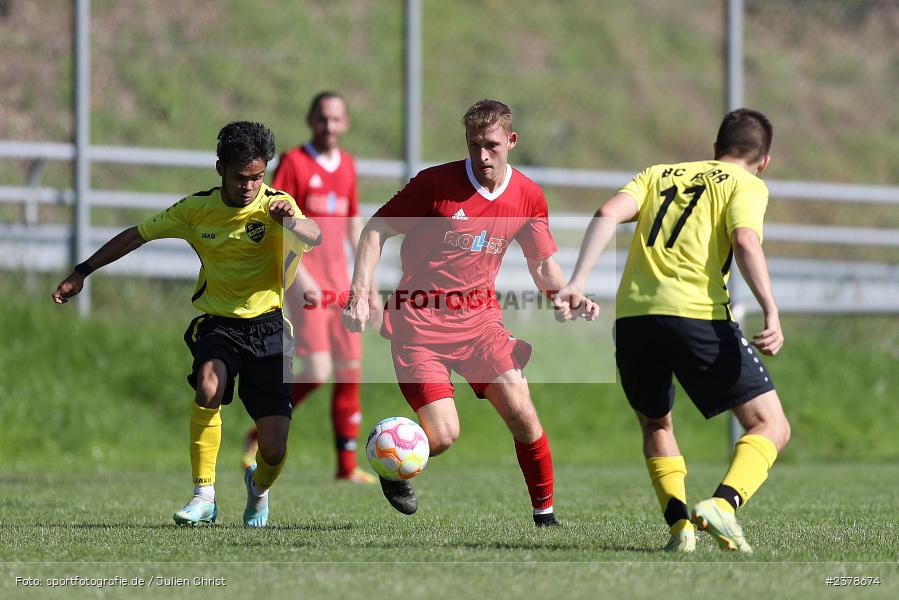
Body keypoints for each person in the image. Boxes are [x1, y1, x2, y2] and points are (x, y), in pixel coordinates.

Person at [52, 121, 322, 528]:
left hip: (269, 330)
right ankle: (203, 496)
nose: (249, 186)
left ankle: (258, 488)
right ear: (220, 169)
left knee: (274, 448)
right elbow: (136, 235)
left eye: (257, 177)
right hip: (219, 324)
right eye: (240, 177)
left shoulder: (277, 205)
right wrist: (83, 270)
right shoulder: (196, 210)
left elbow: (314, 235)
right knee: (208, 385)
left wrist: (289, 221)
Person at [342, 99, 597, 526]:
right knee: (442, 437)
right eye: (474, 145)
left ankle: (545, 517)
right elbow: (375, 229)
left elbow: (540, 263)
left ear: (511, 141)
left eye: (491, 145)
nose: (482, 156)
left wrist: (565, 293)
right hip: (418, 327)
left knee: (523, 411)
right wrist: (361, 291)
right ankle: (390, 456)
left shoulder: (528, 196)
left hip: (481, 327)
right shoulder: (434, 184)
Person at [555, 108, 791, 552]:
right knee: (770, 424)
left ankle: (681, 528)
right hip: (695, 313)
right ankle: (724, 504)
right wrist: (771, 311)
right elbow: (745, 241)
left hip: (634, 320)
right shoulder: (747, 184)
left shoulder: (659, 173)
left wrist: (577, 281)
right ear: (765, 160)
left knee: (656, 423)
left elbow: (607, 212)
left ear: (715, 147)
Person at [241, 92, 379, 484]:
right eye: (322, 118)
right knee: (317, 370)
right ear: (309, 119)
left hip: (344, 287)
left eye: (336, 119)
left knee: (350, 371)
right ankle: (258, 433)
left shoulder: (348, 166)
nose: (328, 126)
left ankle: (347, 468)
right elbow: (278, 220)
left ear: (346, 123)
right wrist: (301, 278)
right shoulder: (295, 163)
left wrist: (367, 284)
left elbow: (354, 227)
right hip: (310, 285)